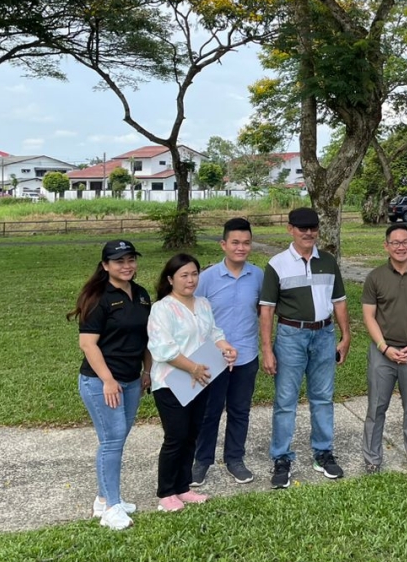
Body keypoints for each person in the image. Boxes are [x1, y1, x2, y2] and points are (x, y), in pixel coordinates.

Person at [259, 207, 351, 489]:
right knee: (286, 400)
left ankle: (323, 452)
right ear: (290, 229)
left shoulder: (328, 261)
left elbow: (339, 301)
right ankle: (281, 458)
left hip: (324, 334)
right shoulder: (277, 264)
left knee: (323, 397)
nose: (308, 233)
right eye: (302, 228)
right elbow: (267, 309)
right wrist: (267, 349)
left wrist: (346, 335)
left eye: (312, 228)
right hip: (291, 336)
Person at [69, 240, 152, 531]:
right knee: (112, 441)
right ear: (105, 266)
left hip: (131, 380)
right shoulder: (98, 298)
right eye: (119, 261)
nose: (127, 266)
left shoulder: (141, 294)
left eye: (130, 260)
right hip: (101, 381)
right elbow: (87, 344)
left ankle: (104, 499)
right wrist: (107, 380)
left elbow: (146, 338)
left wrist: (148, 371)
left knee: (117, 439)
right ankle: (112, 507)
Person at [148, 253, 238, 512]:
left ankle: (183, 487)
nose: (190, 280)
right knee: (175, 437)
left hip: (199, 381)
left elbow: (213, 333)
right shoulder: (162, 308)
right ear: (170, 279)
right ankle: (166, 493)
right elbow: (163, 349)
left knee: (191, 436)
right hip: (171, 382)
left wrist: (225, 348)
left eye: (194, 274)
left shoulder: (203, 303)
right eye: (184, 275)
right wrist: (193, 367)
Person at [190, 218, 264, 487]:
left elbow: (261, 311)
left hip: (246, 355)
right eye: (235, 242)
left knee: (240, 410)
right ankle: (201, 461)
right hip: (212, 357)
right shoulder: (206, 278)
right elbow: (195, 316)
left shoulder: (258, 276)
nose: (241, 248)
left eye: (246, 243)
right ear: (224, 245)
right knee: (210, 411)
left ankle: (234, 459)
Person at [361, 223, 407, 474]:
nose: (401, 246)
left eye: (405, 242)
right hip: (383, 353)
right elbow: (369, 317)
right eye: (395, 242)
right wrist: (383, 348)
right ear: (386, 246)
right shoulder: (375, 277)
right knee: (376, 407)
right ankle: (372, 459)